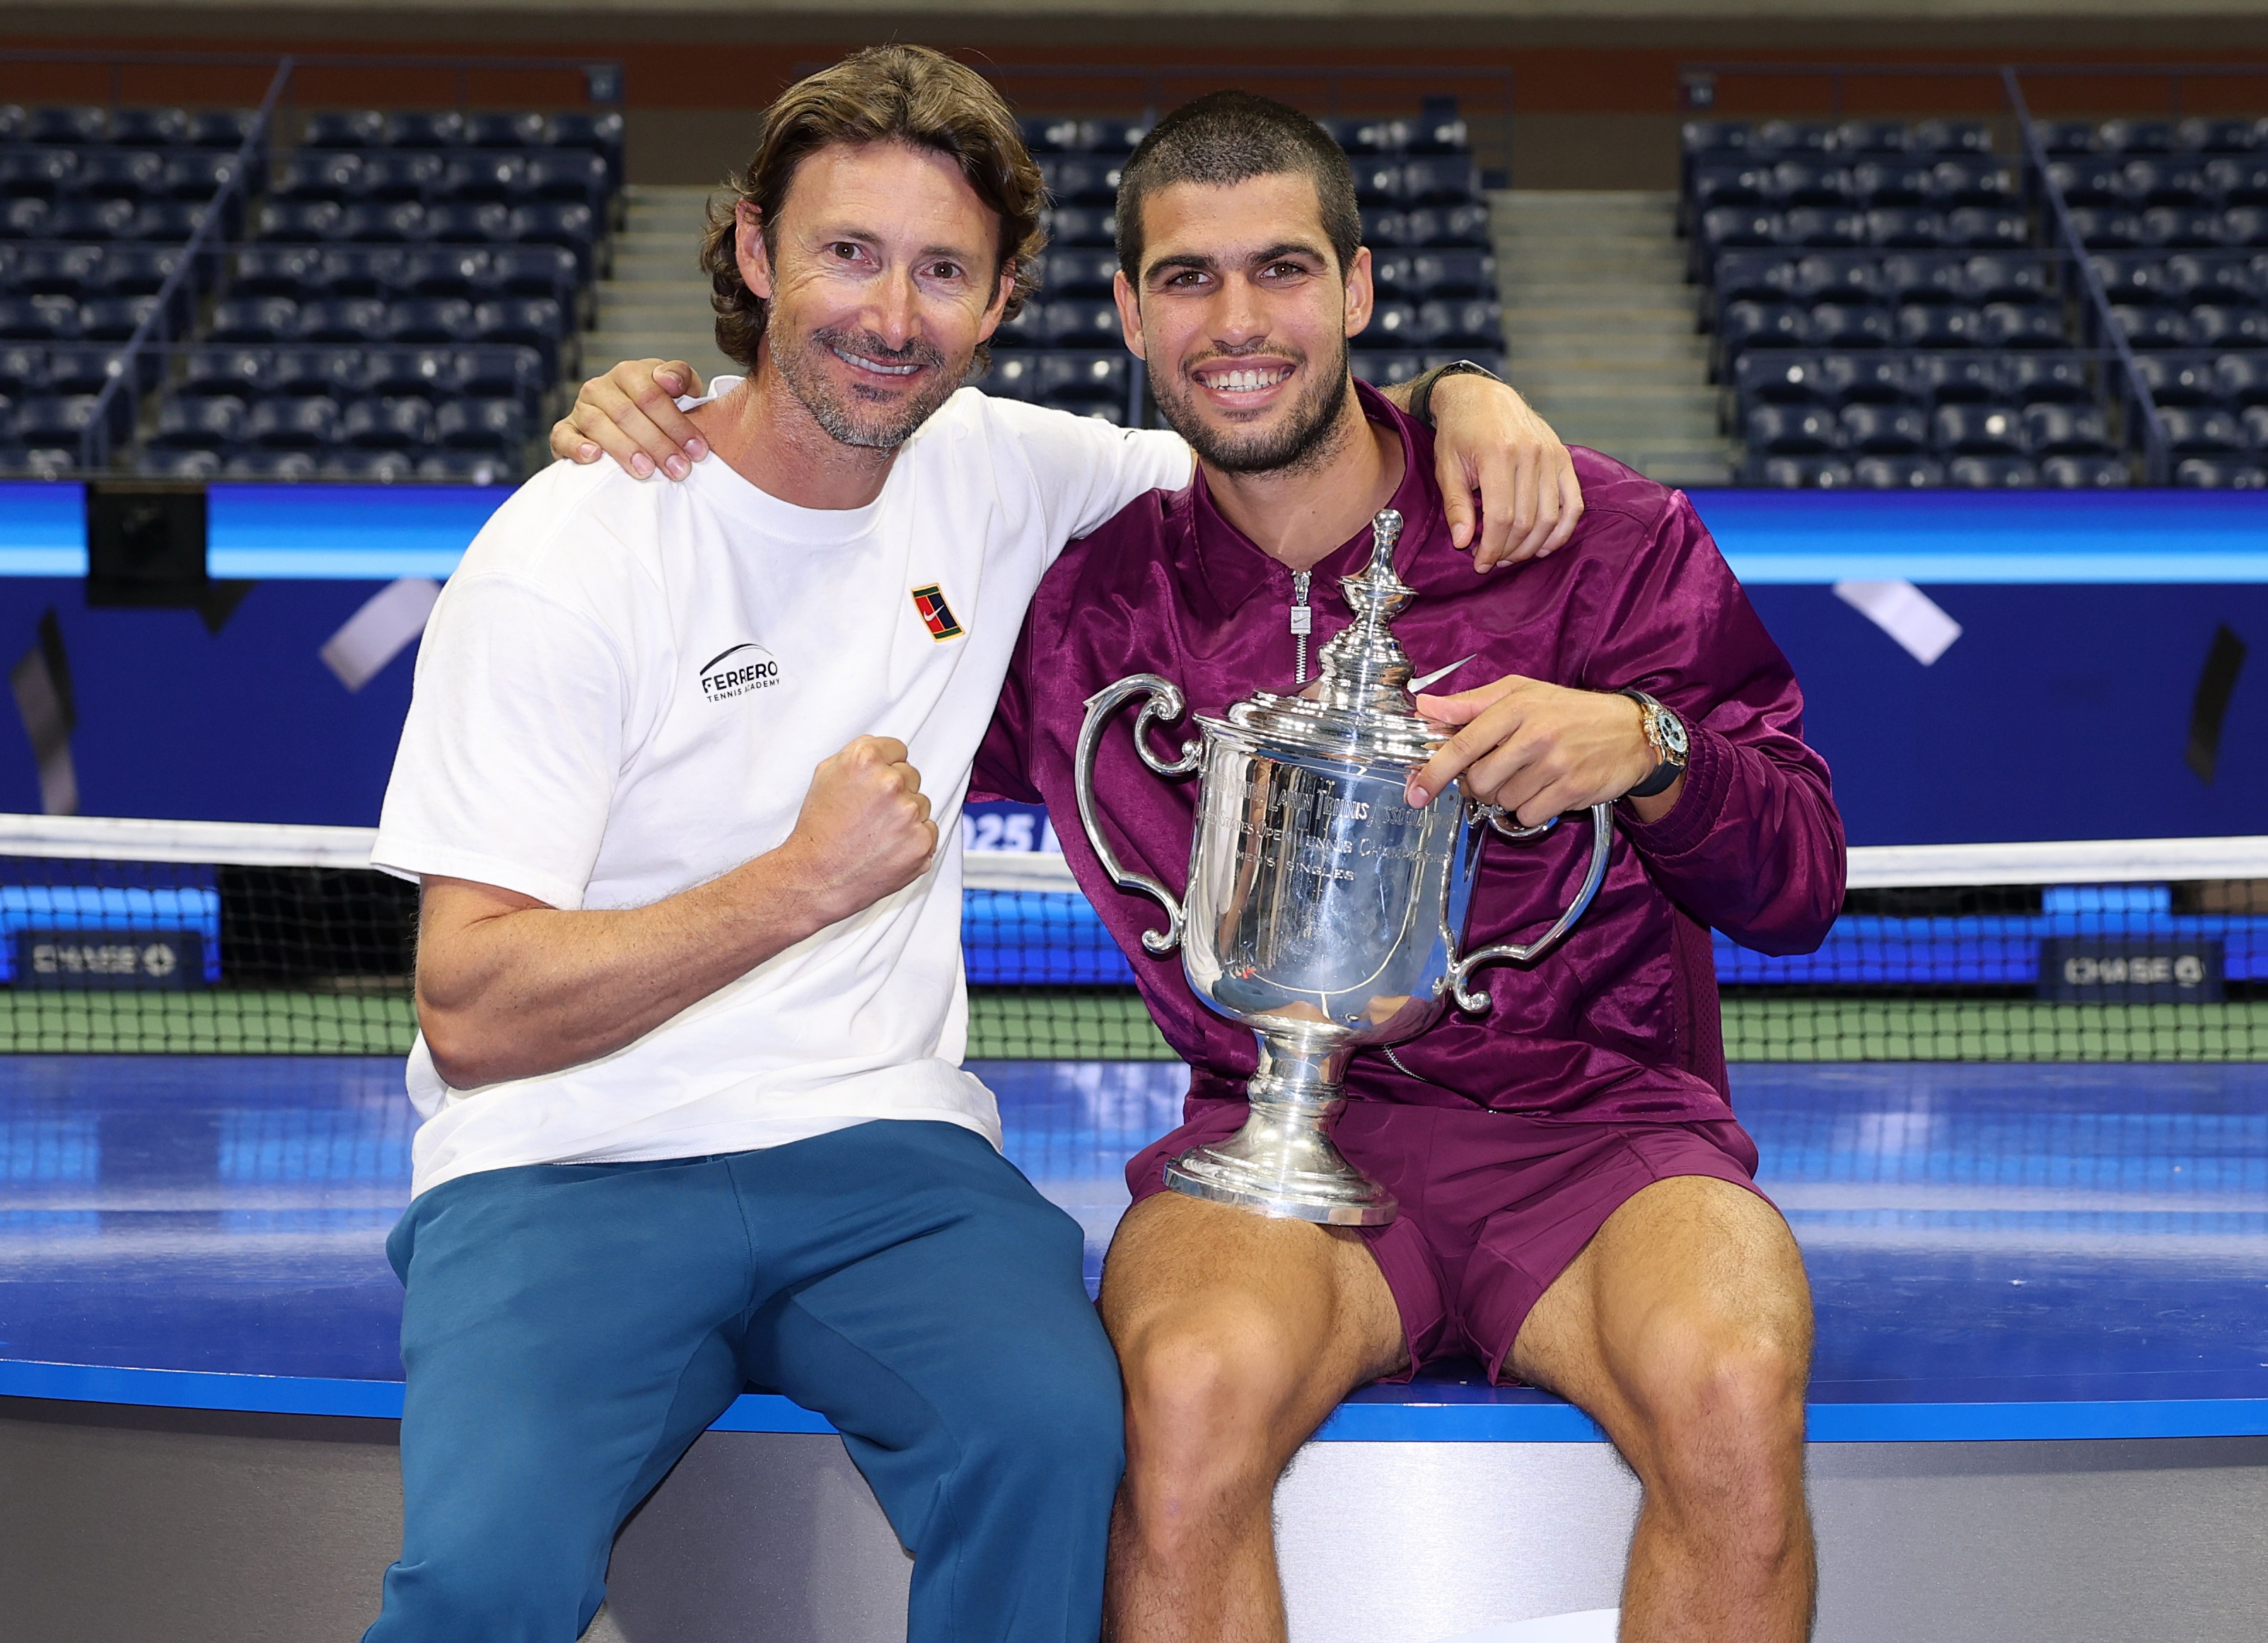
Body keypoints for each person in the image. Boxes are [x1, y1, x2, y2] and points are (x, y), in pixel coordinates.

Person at [564, 88, 1844, 1643]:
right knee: (1175, 1396)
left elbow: (1798, 883)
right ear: (1125, 313)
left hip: (1602, 1143)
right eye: (1187, 279)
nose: (1239, 322)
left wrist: (1649, 751)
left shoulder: (1594, 535)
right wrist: (683, 411)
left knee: (1731, 1382)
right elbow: (813, 556)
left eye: (1283, 271)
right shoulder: (1070, 595)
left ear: (1359, 289)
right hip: (1266, 1153)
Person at [371, 46, 1579, 1643]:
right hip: (562, 1167)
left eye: (941, 269)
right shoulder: (570, 551)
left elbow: (1278, 425)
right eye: (846, 254)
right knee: (481, 1584)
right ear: (752, 252)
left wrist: (1459, 391)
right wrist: (796, 885)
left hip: (885, 1157)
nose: (888, 314)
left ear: (1002, 298)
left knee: (1058, 1440)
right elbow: (471, 1003)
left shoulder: (1006, 469)